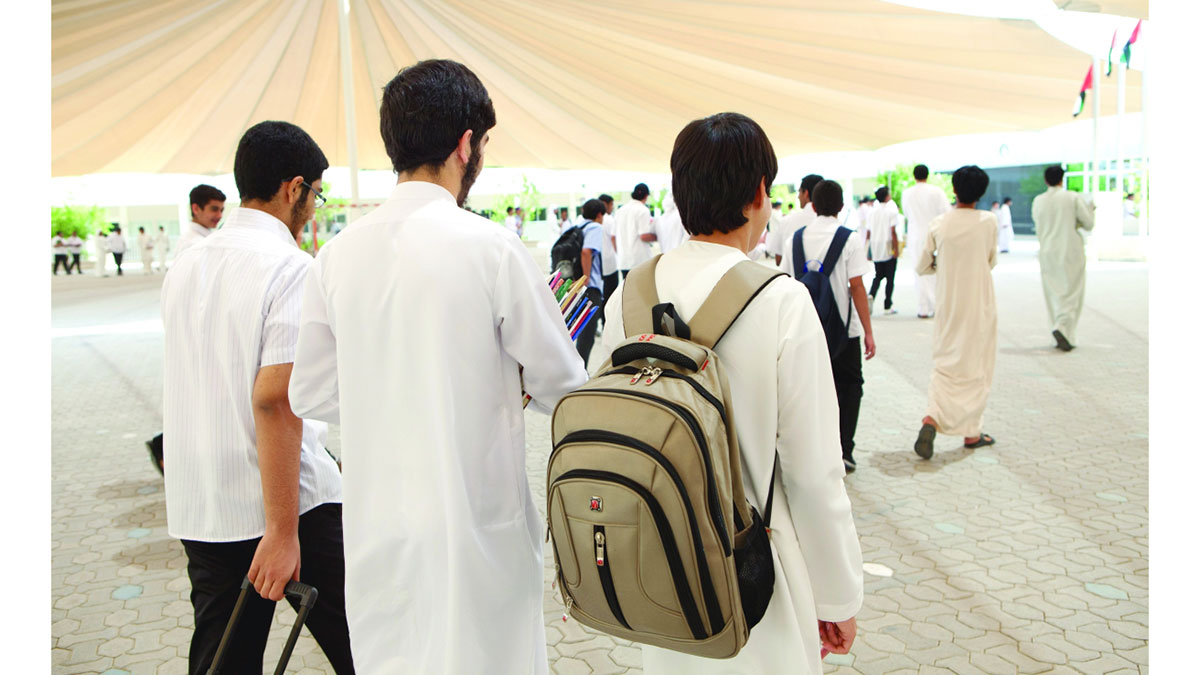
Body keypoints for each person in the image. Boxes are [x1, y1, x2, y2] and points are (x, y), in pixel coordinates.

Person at [288, 59, 587, 675]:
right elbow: (564, 383)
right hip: (475, 529)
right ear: (465, 145)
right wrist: (503, 384)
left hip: (380, 528)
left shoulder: (335, 257)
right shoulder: (492, 248)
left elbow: (309, 393)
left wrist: (389, 385)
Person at [596, 112, 862, 675]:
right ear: (759, 192)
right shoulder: (782, 300)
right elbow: (814, 473)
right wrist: (837, 597)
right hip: (756, 578)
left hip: (659, 570)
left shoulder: (630, 294)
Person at [161, 121, 354, 675]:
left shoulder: (186, 264)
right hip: (285, 503)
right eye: (316, 195)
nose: (314, 210)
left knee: (223, 657)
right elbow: (276, 400)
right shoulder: (290, 268)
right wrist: (283, 531)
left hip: (203, 499)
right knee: (365, 640)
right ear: (295, 188)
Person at [781, 180, 875, 474]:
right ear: (841, 206)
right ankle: (845, 450)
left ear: (813, 204)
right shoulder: (850, 239)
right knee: (850, 386)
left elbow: (786, 285)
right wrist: (869, 331)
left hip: (806, 330)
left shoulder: (794, 240)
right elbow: (857, 286)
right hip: (845, 331)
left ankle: (815, 452)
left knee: (811, 389)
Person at [913, 165, 999, 458]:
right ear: (981, 193)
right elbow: (990, 261)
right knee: (978, 365)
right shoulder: (988, 221)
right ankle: (972, 432)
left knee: (946, 363)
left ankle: (932, 417)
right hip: (979, 303)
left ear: (954, 189)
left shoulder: (940, 223)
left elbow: (922, 266)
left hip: (948, 304)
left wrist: (944, 265)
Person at [1032, 165, 1095, 351]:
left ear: (1046, 180)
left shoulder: (1038, 200)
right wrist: (1091, 209)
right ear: (1062, 179)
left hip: (1047, 251)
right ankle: (1064, 327)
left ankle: (1058, 328)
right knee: (1072, 291)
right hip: (1070, 249)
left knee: (1053, 292)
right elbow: (1089, 224)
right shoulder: (1072, 197)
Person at [901, 165, 951, 319]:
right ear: (927, 175)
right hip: (935, 234)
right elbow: (946, 213)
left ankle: (923, 307)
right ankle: (937, 306)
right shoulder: (936, 192)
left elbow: (906, 213)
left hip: (915, 235)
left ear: (914, 176)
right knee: (937, 270)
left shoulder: (906, 193)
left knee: (920, 270)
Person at [574, 198, 608, 366]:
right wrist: (585, 279)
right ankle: (581, 372)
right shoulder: (595, 227)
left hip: (575, 286)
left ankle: (578, 370)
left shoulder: (577, 227)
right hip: (590, 288)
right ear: (599, 215)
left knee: (579, 332)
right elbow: (586, 252)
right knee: (587, 334)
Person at [767, 173, 822, 265]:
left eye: (799, 191)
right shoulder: (832, 225)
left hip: (792, 273)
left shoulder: (787, 221)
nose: (798, 196)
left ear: (806, 193)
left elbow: (779, 260)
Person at [865, 187, 900, 314]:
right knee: (890, 278)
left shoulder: (871, 212)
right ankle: (887, 305)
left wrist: (867, 250)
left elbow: (868, 233)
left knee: (878, 275)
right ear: (887, 196)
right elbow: (893, 231)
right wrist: (896, 249)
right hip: (888, 245)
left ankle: (871, 295)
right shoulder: (891, 211)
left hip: (875, 246)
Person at [614, 182, 655, 278]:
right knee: (642, 287)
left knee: (627, 286)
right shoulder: (643, 210)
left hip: (624, 261)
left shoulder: (620, 211)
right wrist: (658, 236)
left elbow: (613, 236)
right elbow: (644, 236)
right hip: (640, 261)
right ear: (646, 196)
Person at [176, 184, 226, 258]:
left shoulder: (204, 239)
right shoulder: (193, 244)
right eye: (214, 209)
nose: (220, 216)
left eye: (221, 210)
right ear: (196, 209)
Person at [597, 193, 619, 325]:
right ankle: (607, 321)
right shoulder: (609, 219)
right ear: (605, 204)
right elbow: (613, 237)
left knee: (602, 294)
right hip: (610, 262)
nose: (612, 207)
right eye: (611, 204)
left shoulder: (593, 220)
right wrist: (618, 253)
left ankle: (602, 320)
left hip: (599, 264)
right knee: (611, 295)